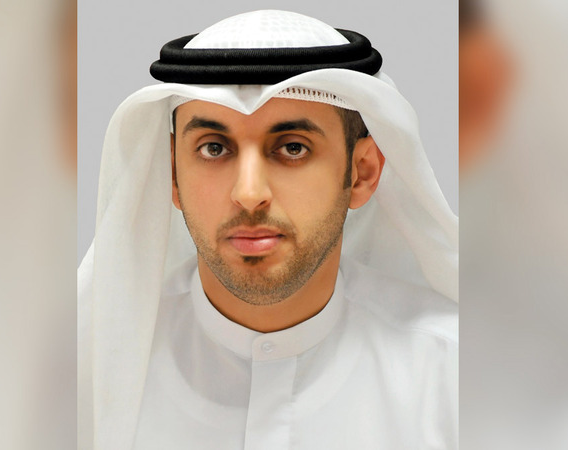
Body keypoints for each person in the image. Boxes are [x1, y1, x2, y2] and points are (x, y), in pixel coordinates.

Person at [78, 10, 458, 450]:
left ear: (362, 172)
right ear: (173, 174)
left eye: (293, 148)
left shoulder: (453, 375)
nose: (249, 193)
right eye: (214, 148)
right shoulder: (81, 373)